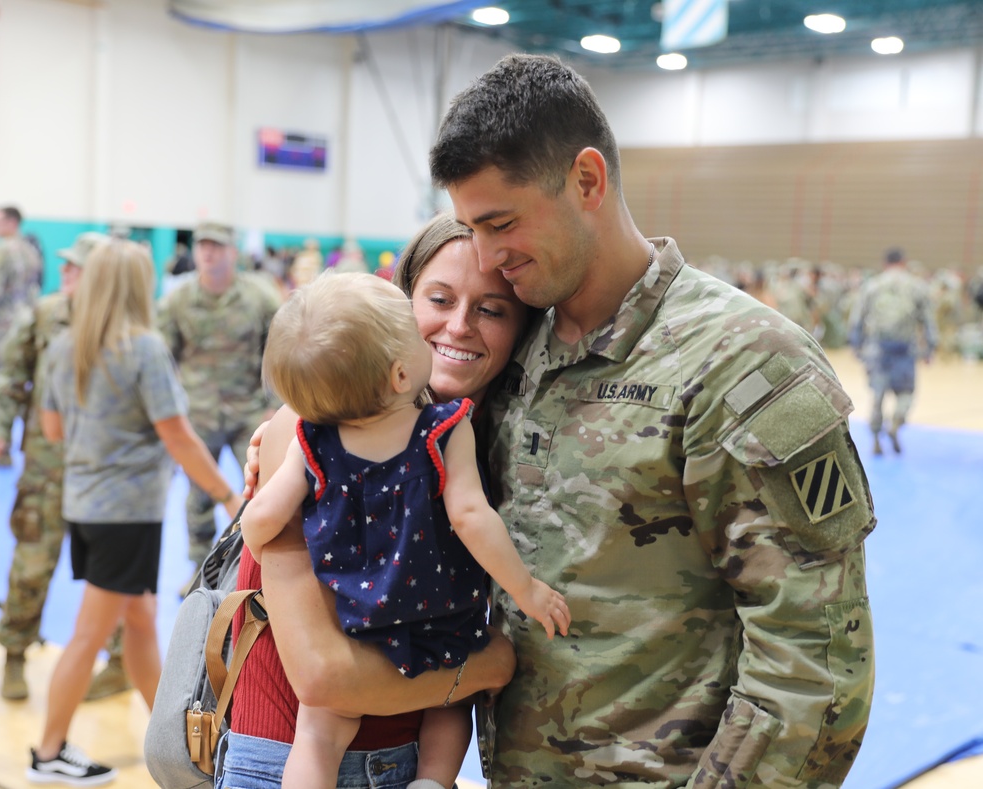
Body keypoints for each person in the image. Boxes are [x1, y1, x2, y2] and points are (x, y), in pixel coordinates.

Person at [422, 53, 875, 787]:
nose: (484, 255)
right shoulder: (517, 343)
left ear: (588, 181)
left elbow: (815, 659)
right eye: (471, 227)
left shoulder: (745, 362)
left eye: (499, 223)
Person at [225, 212, 527, 789]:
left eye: (491, 309)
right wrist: (488, 665)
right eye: (437, 300)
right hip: (279, 750)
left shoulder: (464, 434)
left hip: (401, 759)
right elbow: (323, 679)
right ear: (399, 307)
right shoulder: (313, 425)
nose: (459, 325)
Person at [29, 239, 243, 786]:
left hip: (88, 508)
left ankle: (168, 740)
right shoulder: (142, 348)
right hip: (126, 515)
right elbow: (178, 435)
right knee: (88, 634)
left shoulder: (63, 346)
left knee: (141, 624)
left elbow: (53, 429)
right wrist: (226, 494)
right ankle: (48, 751)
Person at [0, 232, 130, 702]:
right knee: (32, 561)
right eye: (65, 264)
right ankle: (14, 654)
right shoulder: (45, 315)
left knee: (110, 570)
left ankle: (119, 660)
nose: (65, 271)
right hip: (46, 465)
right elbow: (11, 376)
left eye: (77, 266)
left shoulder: (123, 327)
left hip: (102, 470)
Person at [156, 221, 282, 578]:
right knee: (198, 496)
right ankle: (200, 571)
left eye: (217, 246)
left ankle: (256, 567)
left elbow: (276, 352)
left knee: (264, 486)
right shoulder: (177, 301)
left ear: (233, 252)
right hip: (198, 414)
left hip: (249, 411)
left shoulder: (260, 297)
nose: (207, 252)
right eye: (202, 245)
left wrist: (274, 403)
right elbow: (163, 361)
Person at [848, 247, 938, 455]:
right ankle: (897, 421)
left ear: (884, 263)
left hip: (878, 350)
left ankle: (876, 439)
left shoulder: (873, 285)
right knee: (906, 393)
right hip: (905, 351)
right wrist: (931, 347)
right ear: (904, 262)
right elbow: (928, 320)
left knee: (878, 394)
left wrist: (856, 345)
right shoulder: (916, 286)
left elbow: (857, 318)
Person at [0, 205, 43, 459]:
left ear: (11, 222)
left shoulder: (1, 250)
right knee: (14, 383)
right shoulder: (31, 250)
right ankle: (8, 445)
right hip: (22, 324)